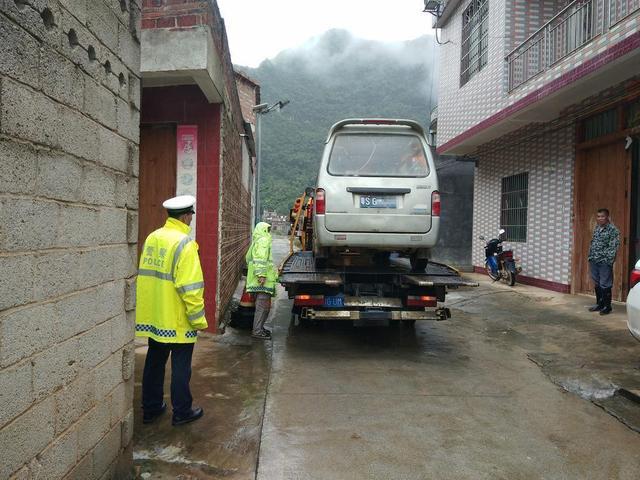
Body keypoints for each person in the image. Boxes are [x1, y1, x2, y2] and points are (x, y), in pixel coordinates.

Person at [136, 195, 208, 426]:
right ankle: (182, 412)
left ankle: (151, 409)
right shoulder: (185, 244)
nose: (191, 220)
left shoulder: (153, 237)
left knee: (154, 362)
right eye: (191, 216)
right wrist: (198, 320)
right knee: (180, 367)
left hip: (156, 317)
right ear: (186, 216)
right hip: (178, 320)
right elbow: (191, 289)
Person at [246, 222, 278, 339]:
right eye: (267, 229)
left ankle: (259, 328)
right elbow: (260, 258)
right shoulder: (263, 240)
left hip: (261, 280)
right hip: (262, 281)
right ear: (263, 230)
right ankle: (257, 331)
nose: (269, 231)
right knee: (262, 307)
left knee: (263, 306)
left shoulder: (257, 241)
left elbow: (249, 258)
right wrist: (261, 275)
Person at [587, 208, 620, 315]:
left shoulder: (613, 230)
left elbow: (613, 247)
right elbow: (593, 242)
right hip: (594, 259)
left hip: (604, 262)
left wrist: (608, 261)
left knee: (605, 284)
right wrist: (590, 256)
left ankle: (607, 306)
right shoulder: (597, 228)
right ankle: (599, 304)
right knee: (597, 282)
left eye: (602, 216)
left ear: (607, 217)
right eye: (598, 216)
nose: (600, 218)